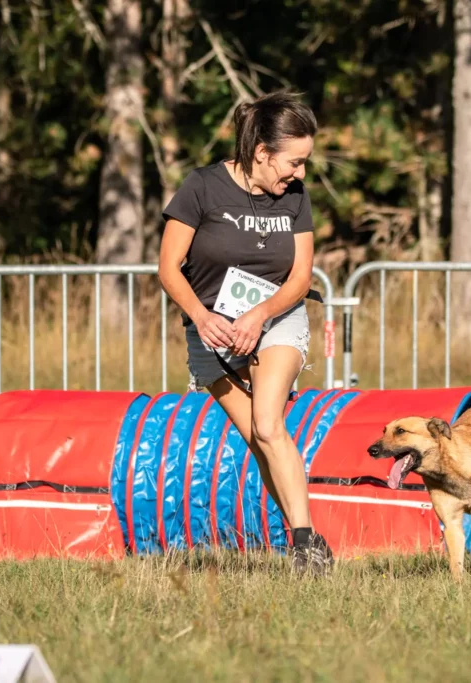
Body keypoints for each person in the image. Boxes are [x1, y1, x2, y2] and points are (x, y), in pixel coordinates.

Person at [157, 90, 333, 576]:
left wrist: (259, 315)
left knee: (268, 425)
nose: (299, 173)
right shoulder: (201, 188)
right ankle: (312, 539)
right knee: (260, 443)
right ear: (261, 153)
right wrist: (201, 316)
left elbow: (300, 277)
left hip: (277, 317)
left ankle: (303, 548)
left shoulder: (295, 197)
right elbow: (169, 268)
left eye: (304, 163)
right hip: (211, 331)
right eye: (293, 162)